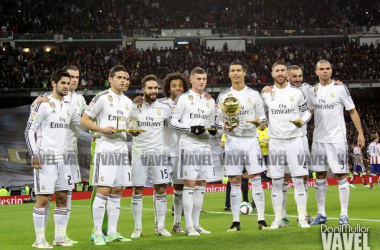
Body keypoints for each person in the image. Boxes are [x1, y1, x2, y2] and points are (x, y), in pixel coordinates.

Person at [25, 70, 80, 248]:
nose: (66, 86)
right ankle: (39, 240)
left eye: (68, 83)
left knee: (63, 197)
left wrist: (103, 129)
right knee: (43, 198)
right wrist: (34, 153)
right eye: (62, 82)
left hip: (64, 158)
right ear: (53, 83)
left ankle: (59, 237)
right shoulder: (43, 104)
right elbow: (29, 130)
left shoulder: (70, 107)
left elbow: (82, 124)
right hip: (46, 157)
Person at [308, 59, 365, 226]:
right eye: (322, 69)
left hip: (337, 139)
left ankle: (344, 215)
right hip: (318, 140)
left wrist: (360, 133)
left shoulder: (340, 88)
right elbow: (309, 112)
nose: (325, 71)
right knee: (319, 175)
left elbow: (352, 111)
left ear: (331, 71)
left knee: (341, 175)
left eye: (327, 69)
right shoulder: (312, 91)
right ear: (316, 72)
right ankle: (321, 214)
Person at [80, 65, 133, 245]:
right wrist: (102, 129)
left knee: (117, 191)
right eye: (120, 77)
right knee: (103, 190)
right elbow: (84, 120)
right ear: (110, 79)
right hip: (106, 148)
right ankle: (97, 233)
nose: (124, 81)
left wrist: (132, 131)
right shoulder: (102, 97)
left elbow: (126, 126)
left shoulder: (128, 102)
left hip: (122, 148)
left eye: (126, 78)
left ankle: (112, 232)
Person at [216, 60, 267, 231]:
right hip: (232, 141)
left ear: (245, 73)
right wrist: (224, 126)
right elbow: (216, 124)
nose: (236, 73)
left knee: (256, 179)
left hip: (252, 140)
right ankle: (236, 221)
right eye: (233, 71)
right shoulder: (223, 96)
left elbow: (263, 118)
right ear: (229, 74)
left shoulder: (254, 94)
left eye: (239, 70)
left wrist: (261, 122)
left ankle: (261, 220)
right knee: (235, 180)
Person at [262, 61, 312, 229]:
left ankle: (302, 218)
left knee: (298, 180)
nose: (280, 73)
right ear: (272, 74)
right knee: (276, 182)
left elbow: (306, 113)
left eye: (283, 70)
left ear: (287, 74)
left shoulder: (297, 93)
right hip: (275, 142)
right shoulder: (266, 95)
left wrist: (302, 120)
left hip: (295, 141)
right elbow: (261, 116)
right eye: (277, 70)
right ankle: (278, 219)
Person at [170, 67, 217, 236]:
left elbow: (214, 124)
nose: (202, 81)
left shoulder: (210, 101)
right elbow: (173, 122)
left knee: (201, 184)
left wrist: (214, 130)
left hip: (205, 146)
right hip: (189, 144)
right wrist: (190, 128)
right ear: (191, 80)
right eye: (198, 79)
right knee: (189, 184)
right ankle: (188, 226)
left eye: (204, 78)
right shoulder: (183, 98)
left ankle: (196, 224)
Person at [129, 75, 171, 238]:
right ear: (143, 89)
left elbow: (170, 126)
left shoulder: (164, 107)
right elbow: (129, 126)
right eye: (150, 88)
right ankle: (137, 228)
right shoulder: (134, 106)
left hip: (158, 154)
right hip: (140, 153)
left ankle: (160, 226)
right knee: (137, 189)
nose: (153, 91)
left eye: (156, 88)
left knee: (161, 188)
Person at [160, 73, 190, 234]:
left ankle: (177, 223)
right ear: (168, 88)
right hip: (164, 151)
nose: (177, 88)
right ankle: (159, 224)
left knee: (179, 188)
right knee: (161, 187)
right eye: (174, 85)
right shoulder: (161, 104)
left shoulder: (188, 104)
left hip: (180, 151)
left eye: (180, 85)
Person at [220, 134, 251, 211]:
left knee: (245, 177)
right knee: (232, 179)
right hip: (231, 156)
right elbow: (222, 144)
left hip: (243, 155)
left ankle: (245, 201)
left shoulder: (240, 132)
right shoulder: (228, 132)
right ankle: (228, 204)